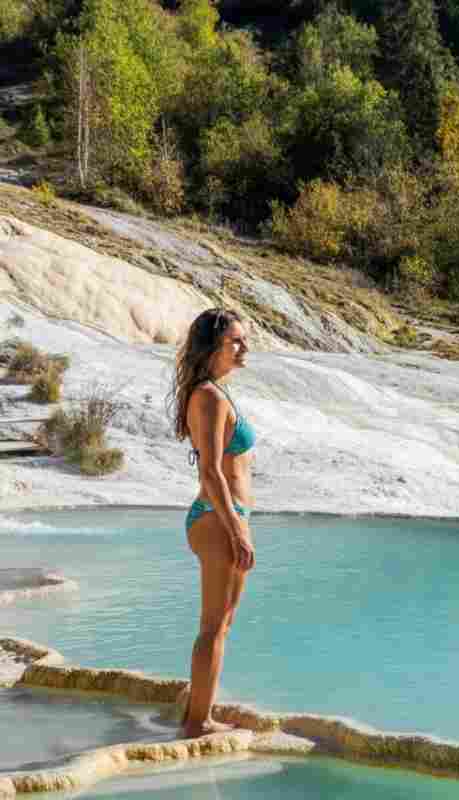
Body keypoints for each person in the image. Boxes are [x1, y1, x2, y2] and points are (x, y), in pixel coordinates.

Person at [167, 307, 257, 737]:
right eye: (235, 341)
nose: (244, 347)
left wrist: (241, 522)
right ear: (212, 347)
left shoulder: (216, 393)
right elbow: (210, 473)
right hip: (217, 518)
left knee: (223, 623)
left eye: (244, 340)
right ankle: (198, 722)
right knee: (213, 625)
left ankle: (199, 706)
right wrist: (237, 528)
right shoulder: (208, 397)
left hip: (229, 517)